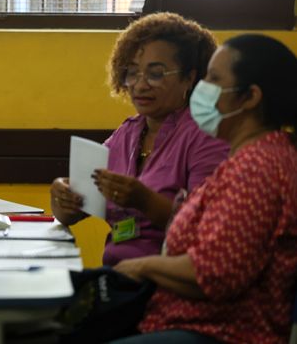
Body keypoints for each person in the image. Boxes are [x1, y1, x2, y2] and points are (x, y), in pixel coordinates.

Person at [111, 34, 297, 344]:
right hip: (183, 323)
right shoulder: (251, 158)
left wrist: (140, 266)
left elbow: (213, 273)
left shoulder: (258, 168)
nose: (202, 89)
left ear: (249, 97)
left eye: (213, 79)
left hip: (219, 333)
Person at [51, 13, 228, 265]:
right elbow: (71, 214)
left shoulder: (206, 136)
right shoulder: (128, 132)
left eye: (156, 73)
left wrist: (146, 202)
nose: (140, 85)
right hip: (117, 275)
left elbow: (208, 228)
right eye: (131, 73)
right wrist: (63, 196)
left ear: (189, 77)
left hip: (168, 281)